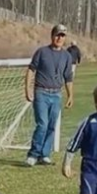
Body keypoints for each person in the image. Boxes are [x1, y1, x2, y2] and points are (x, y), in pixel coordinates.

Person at [24, 24, 75, 167]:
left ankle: (44, 154)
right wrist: (27, 89)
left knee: (52, 125)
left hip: (56, 94)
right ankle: (33, 154)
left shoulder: (67, 56)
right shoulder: (42, 52)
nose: (59, 38)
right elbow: (31, 70)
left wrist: (70, 95)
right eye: (57, 35)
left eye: (62, 36)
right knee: (42, 124)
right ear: (52, 36)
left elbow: (68, 77)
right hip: (41, 92)